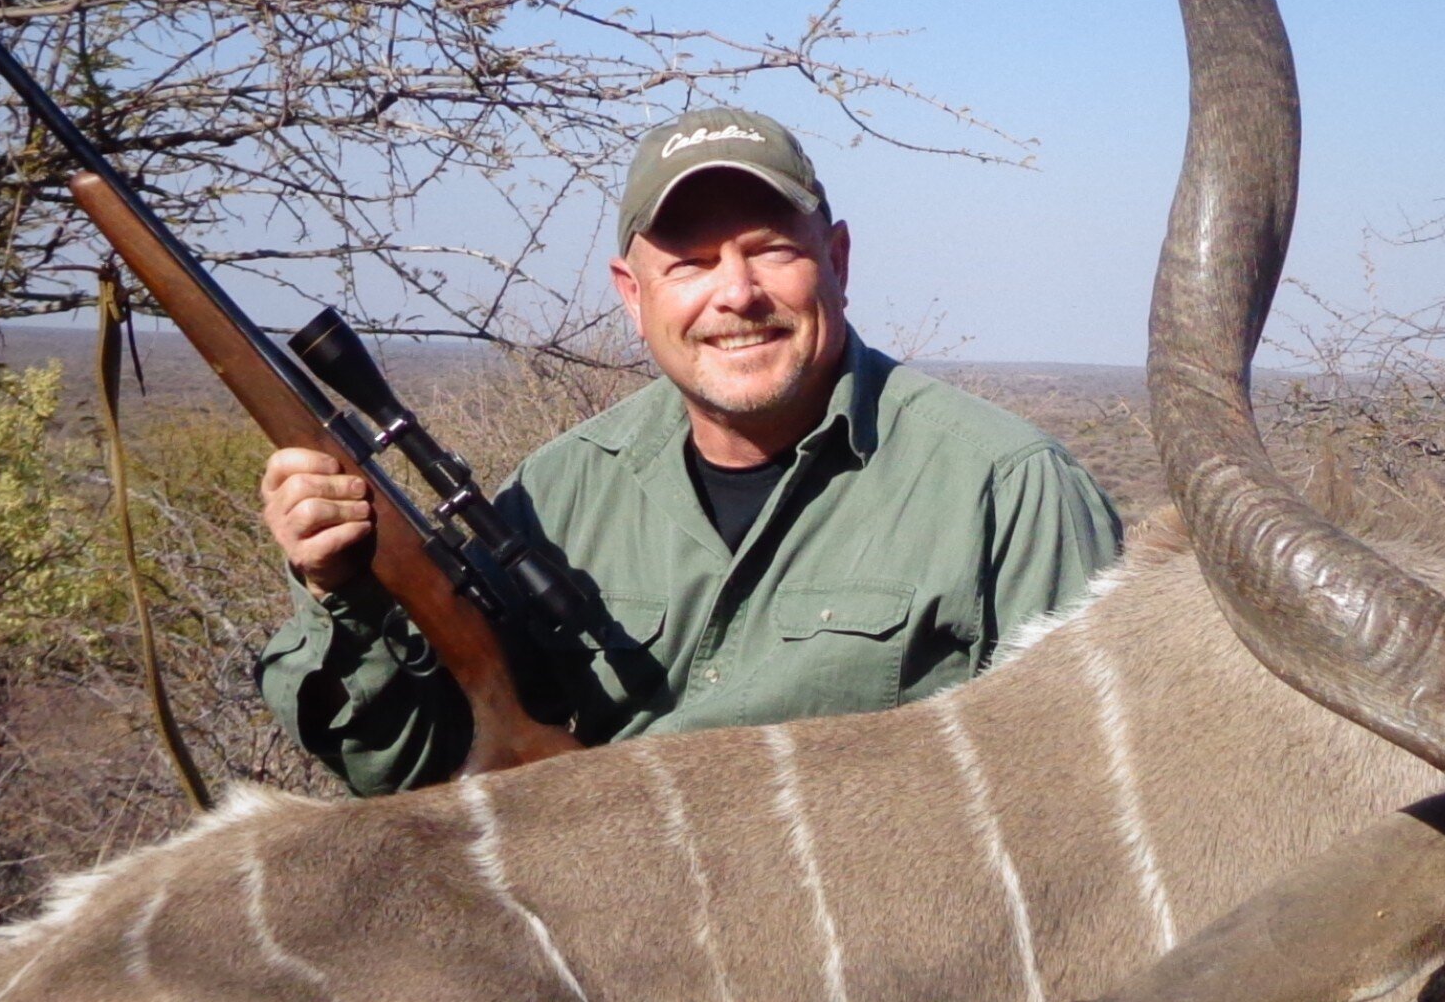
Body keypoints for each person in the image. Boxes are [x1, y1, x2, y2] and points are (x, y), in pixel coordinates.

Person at [254, 106, 1124, 795]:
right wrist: (344, 592)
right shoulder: (557, 494)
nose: (736, 294)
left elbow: (1090, 795)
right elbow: (404, 775)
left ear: (839, 260)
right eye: (691, 264)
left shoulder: (1011, 489)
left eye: (771, 250)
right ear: (632, 295)